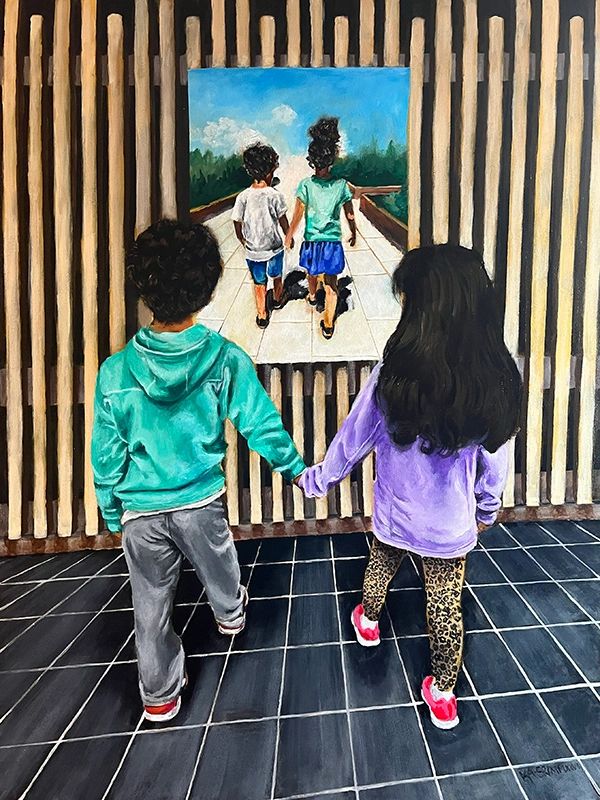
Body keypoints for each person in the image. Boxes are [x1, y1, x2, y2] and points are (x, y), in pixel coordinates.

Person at [299, 245, 522, 730]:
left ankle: (368, 621)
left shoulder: (391, 377)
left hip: (395, 513)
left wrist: (319, 480)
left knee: (381, 565)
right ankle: (443, 693)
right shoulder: (493, 383)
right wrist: (486, 510)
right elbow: (496, 462)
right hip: (449, 526)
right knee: (445, 607)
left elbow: (352, 439)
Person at [92, 219, 305, 723]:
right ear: (207, 290)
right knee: (219, 562)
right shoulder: (225, 359)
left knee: (150, 604)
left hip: (140, 510)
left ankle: (160, 694)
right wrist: (292, 466)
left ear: (143, 288)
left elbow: (107, 455)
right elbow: (259, 422)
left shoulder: (115, 372)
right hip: (201, 501)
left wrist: (112, 510)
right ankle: (230, 614)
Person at [285, 117, 356, 339]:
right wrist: (354, 232)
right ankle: (328, 322)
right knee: (332, 284)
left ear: (312, 161)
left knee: (312, 272)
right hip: (332, 242)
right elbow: (350, 214)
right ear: (331, 160)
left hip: (312, 241)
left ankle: (313, 296)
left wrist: (289, 234)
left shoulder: (306, 185)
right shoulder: (341, 185)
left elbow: (297, 214)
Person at [232, 143, 292, 328]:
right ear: (270, 171)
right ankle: (277, 298)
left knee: (259, 282)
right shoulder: (275, 195)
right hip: (274, 247)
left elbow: (237, 221)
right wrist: (289, 236)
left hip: (253, 251)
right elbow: (283, 221)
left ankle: (262, 314)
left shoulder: (243, 196)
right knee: (276, 275)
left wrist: (242, 239)